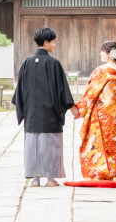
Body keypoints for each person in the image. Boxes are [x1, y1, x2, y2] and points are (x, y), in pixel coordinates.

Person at [12, 26, 78, 187]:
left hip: (31, 115)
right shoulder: (53, 63)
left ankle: (34, 179)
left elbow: (19, 90)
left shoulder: (27, 63)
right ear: (46, 42)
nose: (54, 45)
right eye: (53, 42)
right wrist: (72, 108)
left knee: (32, 144)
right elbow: (62, 88)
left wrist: (24, 110)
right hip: (50, 114)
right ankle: (50, 179)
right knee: (50, 145)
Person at [75, 41, 116, 182]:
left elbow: (91, 93)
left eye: (102, 51)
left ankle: (100, 172)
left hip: (102, 115)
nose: (100, 54)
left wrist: (79, 109)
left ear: (109, 54)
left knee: (99, 142)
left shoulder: (102, 71)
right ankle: (112, 173)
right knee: (114, 143)